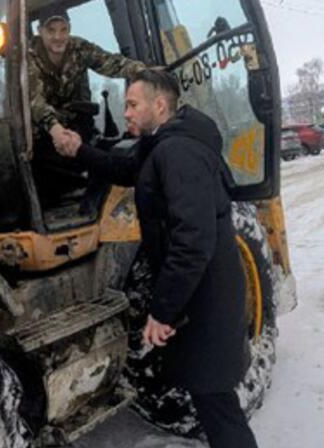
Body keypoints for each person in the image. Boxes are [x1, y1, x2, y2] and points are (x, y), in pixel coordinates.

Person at [55, 69, 258, 448]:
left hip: (207, 295)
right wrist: (80, 150)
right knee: (210, 396)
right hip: (199, 291)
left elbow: (193, 240)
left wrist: (162, 311)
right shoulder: (161, 144)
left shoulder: (178, 152)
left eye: (132, 105)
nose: (126, 112)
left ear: (159, 105)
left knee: (217, 404)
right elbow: (127, 170)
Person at [28, 11, 145, 208]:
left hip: (78, 123)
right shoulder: (28, 57)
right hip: (43, 131)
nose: (58, 37)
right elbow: (35, 100)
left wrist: (141, 71)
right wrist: (55, 130)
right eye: (51, 31)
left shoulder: (78, 48)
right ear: (40, 31)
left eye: (63, 30)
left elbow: (108, 62)